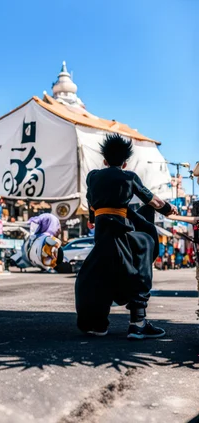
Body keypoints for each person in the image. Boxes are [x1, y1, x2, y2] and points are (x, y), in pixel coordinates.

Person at [75, 133, 177, 340]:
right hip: (121, 233)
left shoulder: (93, 176)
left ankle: (97, 325)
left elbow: (92, 205)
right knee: (140, 263)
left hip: (102, 236)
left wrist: (94, 219)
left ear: (104, 160)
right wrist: (168, 209)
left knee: (98, 278)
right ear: (125, 162)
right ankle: (137, 324)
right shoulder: (129, 177)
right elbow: (153, 202)